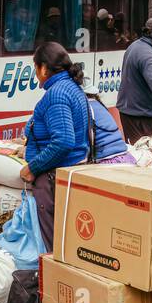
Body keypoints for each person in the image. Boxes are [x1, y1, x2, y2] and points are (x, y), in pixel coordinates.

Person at [21, 42, 136, 250]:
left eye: (36, 67)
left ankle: (52, 275)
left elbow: (64, 141)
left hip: (53, 178)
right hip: (71, 171)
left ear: (44, 68)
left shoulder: (57, 94)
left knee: (53, 245)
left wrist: (32, 168)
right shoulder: (73, 89)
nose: (36, 73)